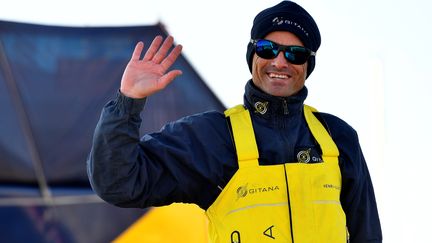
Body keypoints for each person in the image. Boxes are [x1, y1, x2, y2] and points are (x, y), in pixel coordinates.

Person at [87, 1, 382, 242]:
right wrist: (128, 101)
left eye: (294, 54)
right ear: (253, 55)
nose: (280, 62)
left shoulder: (338, 139)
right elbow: (117, 182)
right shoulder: (213, 138)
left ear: (307, 65)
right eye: (268, 49)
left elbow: (366, 236)